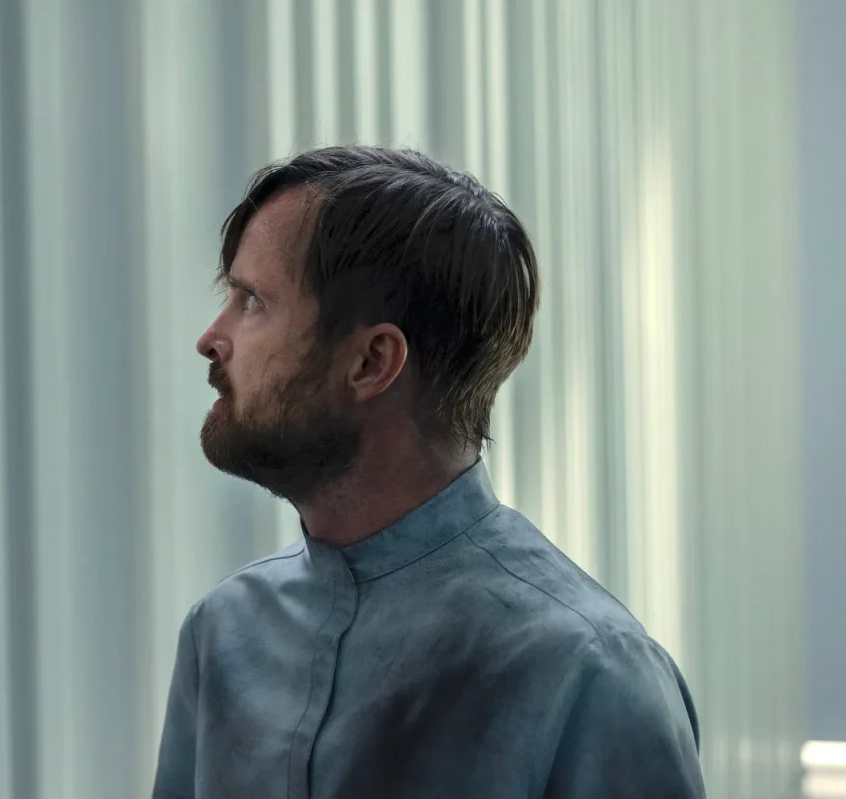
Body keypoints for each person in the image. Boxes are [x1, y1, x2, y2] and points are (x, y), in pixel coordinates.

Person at [152, 146, 704, 798]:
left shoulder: (591, 676)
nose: (211, 338)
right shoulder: (223, 634)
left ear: (372, 362)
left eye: (253, 301)